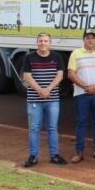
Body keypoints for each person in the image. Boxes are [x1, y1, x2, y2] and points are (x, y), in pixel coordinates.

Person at [21, 32, 67, 167]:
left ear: (50, 43)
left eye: (46, 41)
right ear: (37, 42)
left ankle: (54, 155)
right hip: (35, 100)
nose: (43, 43)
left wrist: (48, 89)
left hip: (52, 99)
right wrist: (40, 90)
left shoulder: (57, 57)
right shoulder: (29, 58)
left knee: (52, 128)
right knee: (34, 128)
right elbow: (27, 77)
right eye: (41, 41)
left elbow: (60, 75)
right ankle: (33, 156)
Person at [68, 29, 95, 163]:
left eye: (92, 38)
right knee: (81, 122)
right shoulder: (76, 53)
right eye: (87, 38)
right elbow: (71, 74)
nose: (90, 40)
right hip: (81, 94)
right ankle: (79, 152)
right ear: (83, 40)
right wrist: (86, 87)